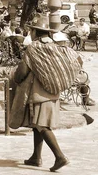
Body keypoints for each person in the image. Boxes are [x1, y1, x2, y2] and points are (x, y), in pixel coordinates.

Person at [9, 13, 81, 172]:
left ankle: (60, 156)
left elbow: (22, 73)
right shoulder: (57, 47)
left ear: (34, 32)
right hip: (54, 92)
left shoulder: (34, 48)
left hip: (39, 95)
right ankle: (36, 157)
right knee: (37, 125)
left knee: (42, 126)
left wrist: (15, 77)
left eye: (32, 30)